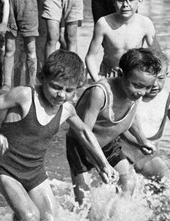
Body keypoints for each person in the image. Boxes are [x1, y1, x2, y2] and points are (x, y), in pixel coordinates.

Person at [0, 50, 110, 221]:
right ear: (41, 77)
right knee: (31, 217)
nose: (61, 95)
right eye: (56, 87)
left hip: (35, 173)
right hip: (7, 170)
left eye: (69, 90)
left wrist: (104, 164)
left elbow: (85, 132)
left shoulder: (67, 110)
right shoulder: (24, 95)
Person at [68, 48, 160, 204]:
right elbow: (84, 134)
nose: (142, 92)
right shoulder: (100, 93)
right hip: (82, 147)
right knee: (84, 201)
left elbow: (130, 117)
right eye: (137, 85)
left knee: (128, 182)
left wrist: (142, 140)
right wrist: (102, 165)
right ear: (120, 73)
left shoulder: (134, 92)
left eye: (147, 87)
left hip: (109, 144)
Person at [120, 51, 170, 181]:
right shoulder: (133, 97)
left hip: (151, 157)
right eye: (152, 78)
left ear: (167, 75)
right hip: (128, 154)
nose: (155, 84)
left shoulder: (167, 99)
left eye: (161, 78)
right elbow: (122, 129)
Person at [85, 0, 160, 81]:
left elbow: (158, 56)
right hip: (109, 75)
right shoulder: (103, 23)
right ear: (113, 1)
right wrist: (97, 80)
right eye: (120, 0)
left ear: (140, 0)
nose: (125, 4)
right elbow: (91, 57)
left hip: (134, 76)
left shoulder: (146, 23)